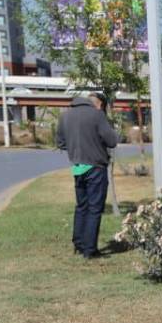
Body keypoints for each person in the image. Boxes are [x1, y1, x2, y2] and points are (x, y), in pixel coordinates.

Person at [56, 92, 118, 259]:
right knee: (94, 208)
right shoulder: (97, 115)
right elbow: (112, 140)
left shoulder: (65, 116)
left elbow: (61, 143)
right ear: (98, 104)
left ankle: (79, 243)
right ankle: (90, 249)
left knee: (81, 206)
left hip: (77, 167)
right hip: (95, 167)